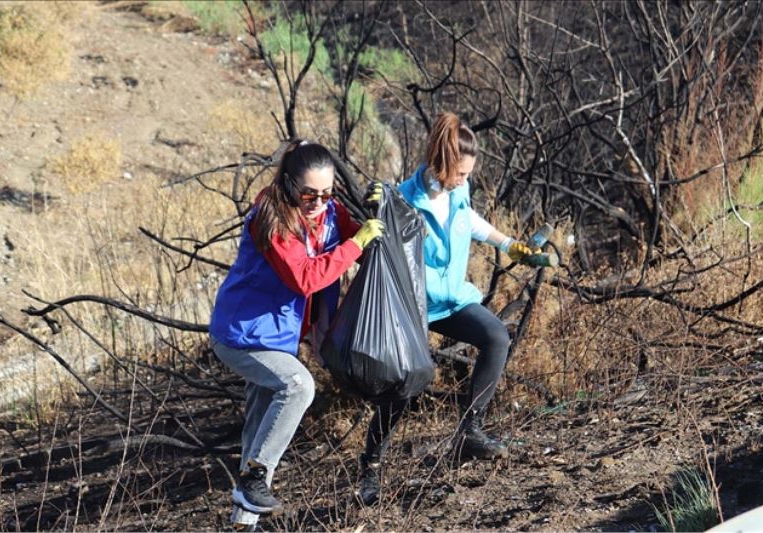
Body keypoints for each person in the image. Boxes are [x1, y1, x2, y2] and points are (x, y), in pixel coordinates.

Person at [356, 113, 538, 505]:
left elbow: (468, 219)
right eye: (459, 172)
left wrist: (511, 246)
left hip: (453, 297)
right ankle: (370, 467)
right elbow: (378, 247)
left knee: (495, 336)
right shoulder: (404, 200)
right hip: (415, 306)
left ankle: (470, 431)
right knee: (406, 384)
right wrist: (372, 210)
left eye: (468, 173)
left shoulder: (459, 192)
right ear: (440, 162)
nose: (463, 180)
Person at [209, 139, 384, 527]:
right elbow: (307, 277)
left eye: (326, 193)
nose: (318, 202)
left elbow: (363, 235)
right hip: (240, 335)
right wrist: (356, 243)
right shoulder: (270, 220)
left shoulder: (330, 213)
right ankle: (255, 480)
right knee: (298, 386)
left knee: (259, 431)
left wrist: (378, 203)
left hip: (277, 338)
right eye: (309, 195)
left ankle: (242, 523)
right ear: (289, 186)